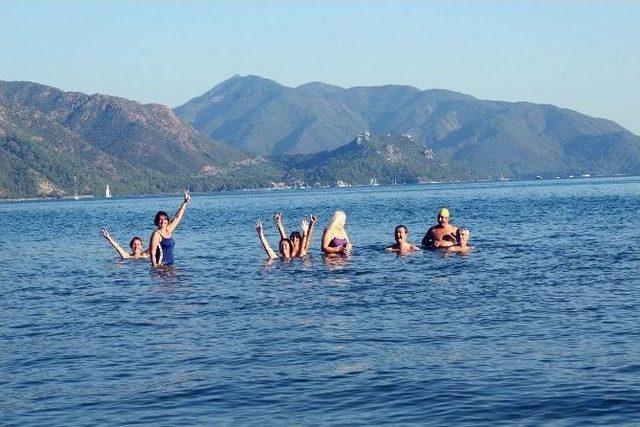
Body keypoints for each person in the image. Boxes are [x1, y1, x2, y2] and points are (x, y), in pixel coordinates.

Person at [150, 190, 191, 267]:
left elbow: (177, 217)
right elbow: (152, 253)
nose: (163, 221)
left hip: (171, 265)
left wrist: (185, 202)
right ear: (157, 221)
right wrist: (155, 267)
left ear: (167, 220)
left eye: (165, 219)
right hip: (162, 266)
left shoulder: (168, 230)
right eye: (160, 219)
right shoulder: (156, 234)